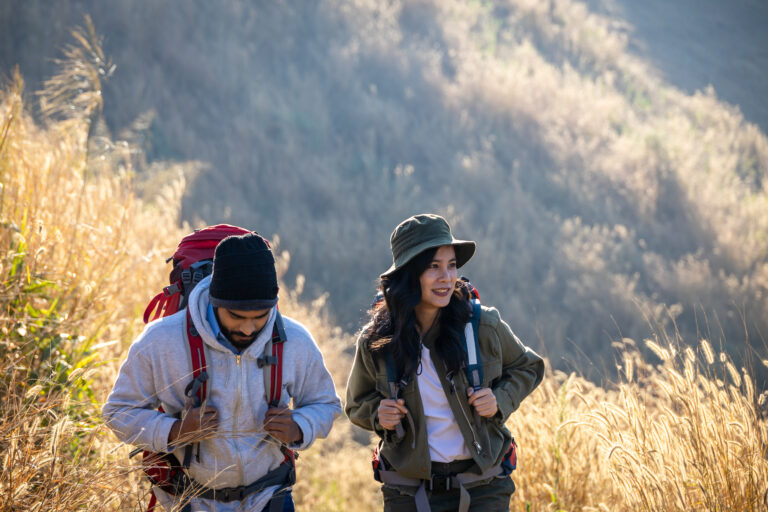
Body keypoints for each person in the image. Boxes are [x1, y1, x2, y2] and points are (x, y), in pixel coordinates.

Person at [104, 232, 342, 511]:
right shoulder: (160, 340)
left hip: (270, 496)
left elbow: (326, 404)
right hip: (190, 500)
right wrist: (176, 431)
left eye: (260, 317)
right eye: (237, 317)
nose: (248, 328)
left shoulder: (296, 340)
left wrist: (299, 427)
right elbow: (118, 412)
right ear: (214, 301)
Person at [345, 214, 545, 512]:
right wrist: (378, 414)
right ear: (408, 275)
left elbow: (530, 366)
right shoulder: (377, 341)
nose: (447, 278)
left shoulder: (481, 325)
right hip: (408, 492)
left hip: (483, 488)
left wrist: (499, 399)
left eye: (451, 265)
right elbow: (356, 403)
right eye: (433, 267)